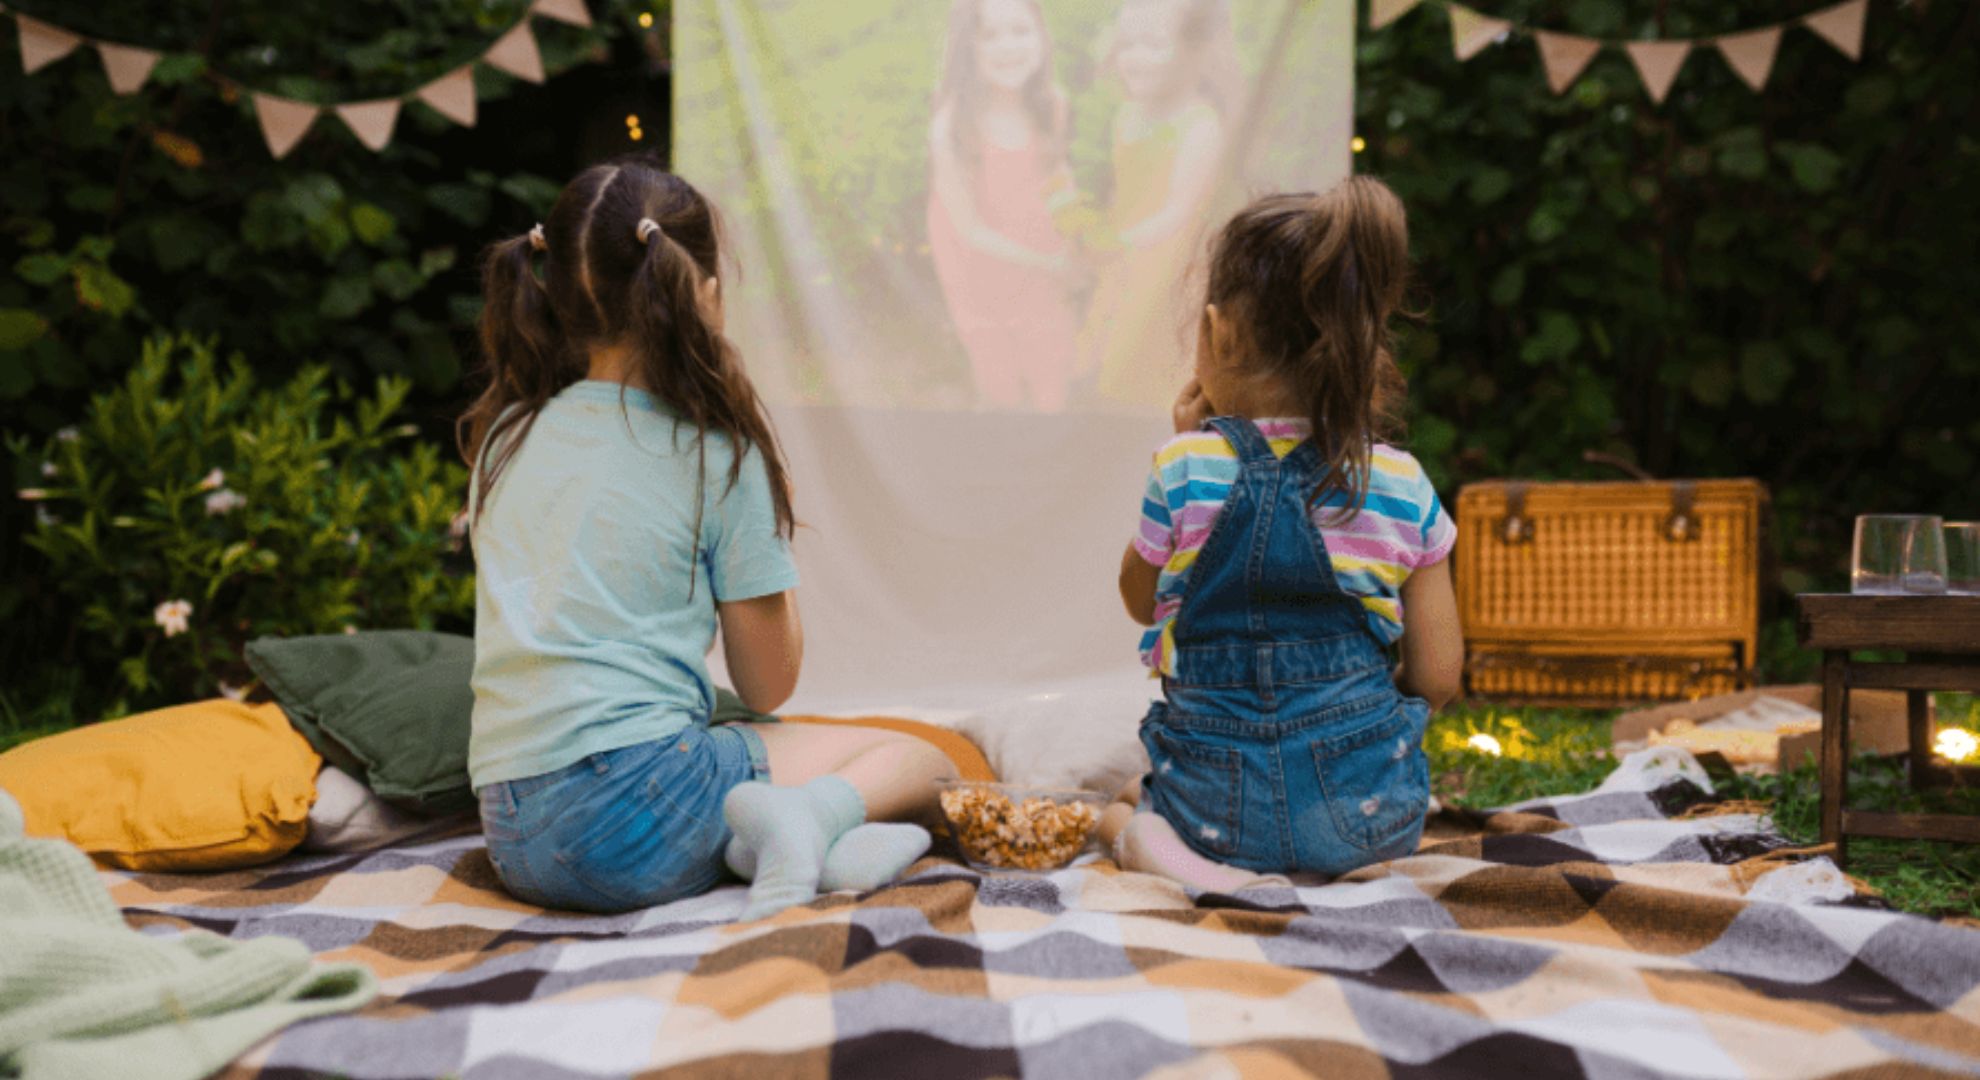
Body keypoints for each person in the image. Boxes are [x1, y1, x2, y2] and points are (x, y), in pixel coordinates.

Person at [459, 159, 957, 921]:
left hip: (514, 834)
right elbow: (767, 687)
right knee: (924, 762)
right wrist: (771, 533)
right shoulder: (716, 454)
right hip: (637, 822)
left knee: (738, 752)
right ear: (708, 298)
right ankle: (815, 824)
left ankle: (803, 844)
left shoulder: (504, 439)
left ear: (553, 294)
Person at [1102, 178, 1465, 892]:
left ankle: (1199, 871)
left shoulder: (1184, 467)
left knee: (1119, 809)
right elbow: (1438, 676)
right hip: (1364, 814)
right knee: (1363, 799)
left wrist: (1193, 447)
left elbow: (1139, 603)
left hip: (1214, 815)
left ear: (1219, 331)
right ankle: (1342, 853)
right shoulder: (1401, 483)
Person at [1077, 0, 1242, 409]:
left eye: (1151, 45)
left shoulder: (1201, 126)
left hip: (1165, 265)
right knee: (1101, 363)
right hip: (1126, 256)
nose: (1133, 58)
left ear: (1192, 53)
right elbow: (1128, 189)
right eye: (1127, 45)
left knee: (1145, 364)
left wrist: (1121, 244)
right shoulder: (1127, 114)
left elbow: (1179, 211)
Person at [925, 0, 1082, 411]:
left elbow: (1057, 172)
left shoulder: (1052, 104)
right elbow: (969, 230)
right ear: (967, 48)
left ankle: (1051, 435)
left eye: (1020, 31)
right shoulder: (951, 127)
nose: (1008, 46)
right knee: (1000, 377)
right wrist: (1045, 262)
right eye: (989, 35)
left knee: (1051, 361)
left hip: (1036, 240)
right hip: (978, 262)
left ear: (1041, 39)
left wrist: (1077, 226)